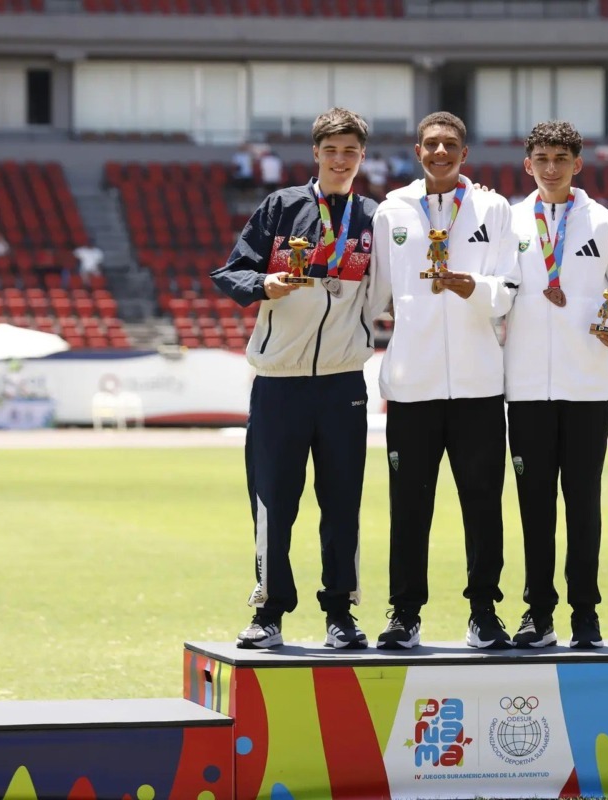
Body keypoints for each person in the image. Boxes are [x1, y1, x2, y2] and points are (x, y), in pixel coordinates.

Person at [210, 108, 379, 650]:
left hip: (343, 381)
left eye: (350, 150)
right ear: (315, 153)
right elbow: (232, 272)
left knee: (342, 501)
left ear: (361, 156)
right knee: (273, 501)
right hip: (280, 379)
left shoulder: (375, 218)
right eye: (331, 149)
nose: (340, 159)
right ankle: (269, 612)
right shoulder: (280, 207)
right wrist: (266, 282)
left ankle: (341, 614)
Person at [368, 111, 520, 650]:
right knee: (409, 505)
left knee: (483, 502)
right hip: (413, 386)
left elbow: (506, 291)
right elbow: (375, 295)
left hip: (479, 384)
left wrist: (469, 287)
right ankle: (404, 614)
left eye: (449, 144)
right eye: (431, 144)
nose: (439, 152)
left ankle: (484, 613)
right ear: (417, 150)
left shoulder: (493, 208)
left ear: (464, 153)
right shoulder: (392, 210)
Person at [503, 120, 608, 649]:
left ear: (578, 164)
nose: (552, 167)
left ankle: (586, 614)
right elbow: (498, 287)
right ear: (528, 164)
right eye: (542, 157)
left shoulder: (603, 222)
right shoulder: (511, 221)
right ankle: (537, 614)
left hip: (588, 386)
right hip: (526, 388)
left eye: (561, 157)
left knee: (582, 502)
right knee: (533, 505)